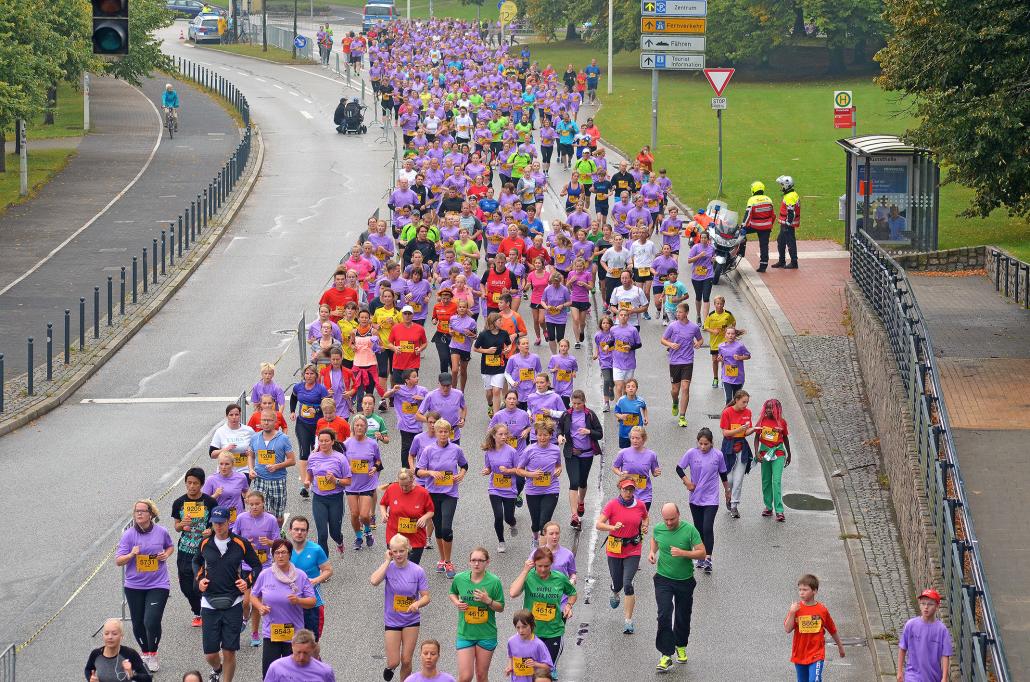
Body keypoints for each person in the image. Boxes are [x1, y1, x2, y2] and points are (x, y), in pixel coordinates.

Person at [194, 506, 262, 682]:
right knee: (210, 654)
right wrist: (200, 579)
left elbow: (256, 565)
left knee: (229, 651)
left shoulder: (240, 543)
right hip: (209, 602)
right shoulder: (205, 543)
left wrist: (247, 582)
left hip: (233, 602)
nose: (218, 526)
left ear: (228, 522)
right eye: (215, 523)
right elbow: (196, 562)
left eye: (221, 523)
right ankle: (217, 668)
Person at [114, 499, 174, 672]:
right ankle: (145, 652)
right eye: (136, 511)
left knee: (151, 620)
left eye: (142, 511)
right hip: (134, 585)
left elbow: (170, 546)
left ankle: (153, 654)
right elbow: (118, 561)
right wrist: (132, 554)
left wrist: (165, 554)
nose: (139, 514)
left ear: (151, 514)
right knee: (138, 622)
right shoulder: (128, 535)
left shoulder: (161, 532)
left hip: (158, 583)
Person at [649, 503, 706, 672]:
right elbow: (655, 539)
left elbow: (702, 552)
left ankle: (680, 645)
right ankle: (666, 654)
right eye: (665, 519)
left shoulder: (689, 530)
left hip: (684, 580)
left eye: (672, 519)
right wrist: (652, 552)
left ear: (679, 515)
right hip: (663, 579)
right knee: (664, 613)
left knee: (682, 615)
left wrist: (684, 553)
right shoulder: (659, 528)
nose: (668, 523)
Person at [250, 539, 317, 677]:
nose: (280, 556)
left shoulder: (300, 575)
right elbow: (253, 595)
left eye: (284, 552)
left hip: (294, 634)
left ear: (290, 555)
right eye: (277, 553)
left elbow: (312, 601)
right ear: (273, 555)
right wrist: (260, 607)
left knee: (293, 676)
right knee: (269, 675)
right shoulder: (265, 575)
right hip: (272, 633)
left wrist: (298, 600)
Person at [508, 547, 577, 678]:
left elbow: (572, 593)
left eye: (547, 566)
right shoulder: (529, 576)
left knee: (546, 674)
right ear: (534, 563)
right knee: (529, 672)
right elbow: (513, 593)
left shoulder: (560, 578)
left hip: (553, 632)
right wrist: (525, 570)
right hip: (531, 633)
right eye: (539, 566)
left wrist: (568, 605)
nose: (543, 570)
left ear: (552, 564)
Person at [371, 534, 431, 682]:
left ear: (408, 550)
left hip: (411, 620)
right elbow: (373, 581)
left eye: (401, 551)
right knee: (394, 661)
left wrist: (417, 604)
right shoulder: (388, 567)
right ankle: (390, 667)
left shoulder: (417, 571)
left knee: (406, 660)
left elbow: (426, 597)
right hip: (392, 620)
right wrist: (386, 561)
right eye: (395, 551)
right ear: (390, 552)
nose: (398, 555)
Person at [416, 418, 470, 578]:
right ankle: (442, 559)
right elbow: (419, 471)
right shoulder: (428, 450)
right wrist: (430, 473)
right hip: (433, 493)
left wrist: (461, 474)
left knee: (446, 528)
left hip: (450, 493)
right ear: (436, 432)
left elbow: (464, 465)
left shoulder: (456, 449)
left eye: (446, 431)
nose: (443, 434)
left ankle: (448, 561)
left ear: (450, 433)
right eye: (440, 431)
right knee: (438, 529)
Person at [597, 479, 649, 634]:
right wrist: (612, 527)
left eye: (631, 490)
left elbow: (645, 517)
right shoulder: (612, 505)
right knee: (618, 582)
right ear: (620, 488)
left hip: (633, 549)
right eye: (625, 489)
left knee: (628, 583)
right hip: (615, 548)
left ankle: (628, 621)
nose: (628, 493)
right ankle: (615, 590)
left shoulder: (640, 505)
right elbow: (599, 524)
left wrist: (645, 525)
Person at [675, 428, 729, 574]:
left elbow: (723, 474)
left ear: (712, 443)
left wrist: (727, 491)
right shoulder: (691, 453)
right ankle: (700, 556)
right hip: (695, 498)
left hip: (711, 498)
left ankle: (708, 558)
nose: (703, 447)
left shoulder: (718, 455)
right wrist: (687, 482)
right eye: (701, 444)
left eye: (706, 444)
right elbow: (679, 468)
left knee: (707, 527)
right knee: (698, 529)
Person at [449, 548, 506, 682]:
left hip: (486, 634)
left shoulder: (494, 581)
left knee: (481, 675)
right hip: (465, 634)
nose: (477, 564)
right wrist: (457, 603)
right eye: (474, 560)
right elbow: (452, 593)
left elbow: (501, 607)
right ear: (469, 562)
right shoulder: (460, 578)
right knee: (465, 676)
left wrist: (488, 600)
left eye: (481, 561)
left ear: (487, 562)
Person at [171, 468, 218, 628]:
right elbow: (176, 526)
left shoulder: (210, 502)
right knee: (186, 587)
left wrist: (210, 530)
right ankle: (197, 610)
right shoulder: (179, 503)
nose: (192, 486)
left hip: (204, 550)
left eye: (195, 483)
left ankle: (203, 611)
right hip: (185, 549)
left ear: (201, 484)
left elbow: (217, 524)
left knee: (199, 583)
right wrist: (181, 525)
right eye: (189, 483)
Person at [784, 574, 846, 681]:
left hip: (816, 654)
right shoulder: (796, 609)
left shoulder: (822, 610)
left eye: (805, 589)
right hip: (799, 654)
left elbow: (832, 630)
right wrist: (792, 612)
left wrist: (840, 646)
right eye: (800, 589)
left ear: (814, 591)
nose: (801, 592)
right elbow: (787, 629)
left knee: (814, 680)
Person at [558, 389, 603, 528]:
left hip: (587, 453)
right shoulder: (566, 414)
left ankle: (581, 501)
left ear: (584, 402)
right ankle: (574, 515)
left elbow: (599, 433)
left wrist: (588, 431)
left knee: (582, 482)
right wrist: (559, 436)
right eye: (574, 403)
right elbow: (559, 428)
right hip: (571, 453)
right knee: (574, 482)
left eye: (579, 403)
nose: (576, 406)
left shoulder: (590, 415)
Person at [305, 428, 352, 556]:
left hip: (335, 498)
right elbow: (309, 475)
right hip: (319, 498)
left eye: (326, 441)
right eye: (321, 441)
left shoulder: (340, 458)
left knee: (334, 532)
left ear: (332, 442)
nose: (323, 443)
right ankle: (324, 564)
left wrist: (335, 480)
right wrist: (307, 482)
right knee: (322, 534)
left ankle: (339, 541)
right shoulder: (313, 457)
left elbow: (348, 481)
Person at [515, 420, 563, 542]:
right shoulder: (529, 450)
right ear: (535, 435)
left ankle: (542, 555)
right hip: (533, 491)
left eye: (545, 435)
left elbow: (558, 465)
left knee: (544, 522)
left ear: (551, 435)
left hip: (551, 489)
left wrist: (559, 469)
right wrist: (532, 474)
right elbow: (519, 470)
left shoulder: (555, 450)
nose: (542, 438)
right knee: (536, 523)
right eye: (540, 435)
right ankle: (535, 537)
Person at [287, 516, 332, 641]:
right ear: (290, 530)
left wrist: (316, 580)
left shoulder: (316, 549)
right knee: (289, 644)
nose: (299, 533)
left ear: (307, 532)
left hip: (312, 604)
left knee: (311, 644)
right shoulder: (284, 550)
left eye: (303, 530)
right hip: (289, 604)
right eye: (296, 529)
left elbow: (328, 570)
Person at [248, 409, 296, 524]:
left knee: (278, 516)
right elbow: (251, 455)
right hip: (260, 480)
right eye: (264, 420)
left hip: (277, 481)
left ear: (275, 421)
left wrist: (277, 466)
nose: (266, 423)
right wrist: (250, 469)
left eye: (269, 420)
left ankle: (279, 533)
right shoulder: (255, 437)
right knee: (262, 512)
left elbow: (292, 460)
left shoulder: (283, 438)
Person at [660, 302, 704, 428]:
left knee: (685, 388)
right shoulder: (672, 326)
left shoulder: (694, 327)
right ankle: (675, 402)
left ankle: (682, 416)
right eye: (677, 312)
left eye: (680, 312)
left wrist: (698, 343)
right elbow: (663, 339)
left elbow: (700, 339)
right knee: (675, 390)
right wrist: (671, 345)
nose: (677, 314)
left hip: (687, 361)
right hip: (674, 362)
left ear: (686, 313)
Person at [345, 414, 384, 550]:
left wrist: (374, 467)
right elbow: (341, 462)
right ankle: (358, 536)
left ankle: (367, 530)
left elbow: (378, 461)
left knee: (364, 515)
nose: (359, 428)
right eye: (357, 425)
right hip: (351, 484)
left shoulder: (372, 444)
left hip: (367, 483)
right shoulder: (347, 444)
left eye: (362, 425)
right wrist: (347, 468)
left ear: (366, 428)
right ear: (353, 427)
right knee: (355, 514)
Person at [380, 468, 435, 565]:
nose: (404, 488)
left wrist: (424, 518)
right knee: (395, 568)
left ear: (413, 480)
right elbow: (383, 504)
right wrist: (384, 513)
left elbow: (431, 511)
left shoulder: (422, 493)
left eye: (407, 485)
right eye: (401, 485)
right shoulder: (392, 488)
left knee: (411, 569)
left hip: (415, 539)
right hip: (394, 537)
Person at [897, 589, 953, 682]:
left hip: (933, 677)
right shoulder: (911, 625)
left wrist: (944, 678)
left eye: (930, 604)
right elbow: (902, 648)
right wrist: (899, 671)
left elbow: (945, 655)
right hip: (912, 675)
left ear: (937, 607)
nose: (926, 607)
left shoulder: (941, 630)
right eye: (923, 603)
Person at [291, 364, 329, 499]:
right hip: (302, 424)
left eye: (312, 374)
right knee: (303, 453)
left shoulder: (321, 389)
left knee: (317, 452)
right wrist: (292, 411)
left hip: (318, 425)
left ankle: (318, 481)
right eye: (307, 374)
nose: (309, 376)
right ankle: (305, 484)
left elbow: (327, 405)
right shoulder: (298, 387)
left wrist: (317, 410)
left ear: (316, 376)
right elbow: (294, 397)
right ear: (303, 375)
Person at [482, 423, 521, 553]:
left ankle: (512, 523)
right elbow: (488, 467)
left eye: (505, 434)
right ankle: (501, 541)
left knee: (508, 517)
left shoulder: (512, 451)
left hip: (509, 489)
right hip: (495, 488)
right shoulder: (489, 451)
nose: (504, 437)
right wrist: (486, 470)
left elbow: (519, 470)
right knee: (498, 516)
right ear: (494, 436)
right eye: (501, 434)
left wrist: (509, 470)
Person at [754, 398, 792, 521]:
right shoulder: (762, 421)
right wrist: (756, 452)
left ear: (777, 409)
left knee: (776, 481)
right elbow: (756, 437)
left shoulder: (782, 422)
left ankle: (779, 511)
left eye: (772, 408)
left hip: (778, 453)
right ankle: (768, 507)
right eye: (767, 407)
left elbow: (785, 438)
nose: (769, 410)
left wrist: (789, 454)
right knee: (766, 481)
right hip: (765, 454)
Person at [720, 389, 755, 519]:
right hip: (729, 447)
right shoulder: (727, 412)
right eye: (743, 402)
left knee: (739, 479)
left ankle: (734, 505)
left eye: (747, 402)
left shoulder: (748, 412)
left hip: (742, 447)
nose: (746, 405)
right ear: (736, 400)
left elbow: (746, 432)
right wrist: (739, 429)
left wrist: (754, 429)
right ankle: (728, 495)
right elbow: (725, 433)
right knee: (729, 479)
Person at [84, 618, 152, 682]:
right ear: (103, 636)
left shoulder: (130, 654)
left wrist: (132, 674)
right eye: (106, 633)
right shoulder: (96, 654)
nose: (110, 637)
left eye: (114, 634)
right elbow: (88, 669)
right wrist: (90, 678)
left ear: (121, 636)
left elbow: (148, 678)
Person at [474, 312, 513, 417]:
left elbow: (509, 344)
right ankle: (490, 404)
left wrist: (507, 349)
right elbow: (475, 348)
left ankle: (496, 416)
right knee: (489, 392)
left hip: (500, 366)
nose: (502, 322)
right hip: (486, 367)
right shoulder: (483, 334)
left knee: (496, 391)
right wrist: (487, 351)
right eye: (500, 320)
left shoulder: (504, 333)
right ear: (493, 322)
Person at [263, 629, 336, 681]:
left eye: (306, 653)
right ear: (292, 646)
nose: (301, 657)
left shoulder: (325, 672)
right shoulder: (276, 667)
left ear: (313, 648)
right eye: (298, 652)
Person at [506, 610, 553, 682]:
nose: (521, 630)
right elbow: (511, 656)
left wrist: (535, 664)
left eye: (524, 627)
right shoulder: (511, 641)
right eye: (518, 627)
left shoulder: (539, 644)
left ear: (531, 625)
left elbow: (548, 667)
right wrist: (510, 667)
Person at [742, 180, 776, 272]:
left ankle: (739, 253)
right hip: (766, 227)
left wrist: (743, 226)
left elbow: (747, 214)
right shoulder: (768, 199)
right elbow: (773, 215)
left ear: (753, 190)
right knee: (764, 246)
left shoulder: (752, 200)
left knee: (740, 234)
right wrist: (770, 225)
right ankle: (763, 266)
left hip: (755, 225)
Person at [703, 295, 736, 388]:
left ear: (724, 304)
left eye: (721, 304)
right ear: (714, 304)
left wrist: (729, 331)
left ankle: (724, 379)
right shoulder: (711, 315)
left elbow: (733, 323)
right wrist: (713, 331)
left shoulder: (728, 314)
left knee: (725, 360)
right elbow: (705, 327)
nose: (719, 305)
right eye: (717, 303)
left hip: (725, 343)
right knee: (715, 360)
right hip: (714, 343)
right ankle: (715, 378)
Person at [209, 402, 255, 468]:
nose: (234, 417)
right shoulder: (220, 431)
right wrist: (225, 449)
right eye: (231, 415)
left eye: (236, 414)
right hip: (226, 470)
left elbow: (258, 448)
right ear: (227, 416)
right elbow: (212, 455)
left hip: (244, 469)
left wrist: (251, 453)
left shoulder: (249, 430)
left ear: (240, 415)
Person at [685, 232, 715, 323]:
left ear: (708, 239)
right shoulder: (695, 247)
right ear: (700, 238)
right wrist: (699, 255)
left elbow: (713, 258)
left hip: (708, 276)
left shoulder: (711, 248)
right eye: (702, 238)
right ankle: (698, 315)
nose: (703, 239)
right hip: (696, 277)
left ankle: (705, 321)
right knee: (698, 297)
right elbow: (689, 261)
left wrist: (713, 259)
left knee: (706, 297)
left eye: (705, 238)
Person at [717, 327, 750, 406]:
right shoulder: (721, 346)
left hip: (738, 377)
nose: (730, 335)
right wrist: (720, 359)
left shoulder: (740, 346)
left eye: (732, 334)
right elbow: (721, 357)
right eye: (728, 333)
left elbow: (748, 356)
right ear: (725, 335)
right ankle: (727, 416)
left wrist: (740, 358)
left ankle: (735, 416)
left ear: (735, 335)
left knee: (736, 400)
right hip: (726, 377)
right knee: (728, 399)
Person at [773, 175, 800, 269]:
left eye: (782, 185)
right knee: (781, 241)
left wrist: (788, 224)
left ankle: (794, 262)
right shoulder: (790, 195)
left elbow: (791, 212)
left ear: (786, 185)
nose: (781, 187)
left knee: (790, 242)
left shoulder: (790, 197)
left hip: (787, 224)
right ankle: (782, 261)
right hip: (785, 224)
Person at [613, 379, 647, 449]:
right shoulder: (621, 400)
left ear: (636, 388)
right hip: (624, 432)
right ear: (625, 389)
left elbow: (644, 407)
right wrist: (621, 416)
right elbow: (616, 413)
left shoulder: (640, 400)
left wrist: (646, 417)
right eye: (628, 387)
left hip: (637, 432)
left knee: (637, 451)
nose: (631, 388)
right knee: (625, 452)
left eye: (633, 386)